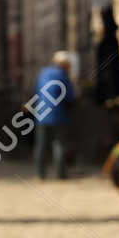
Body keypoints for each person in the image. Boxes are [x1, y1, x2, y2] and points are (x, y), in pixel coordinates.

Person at [33, 51, 75, 179]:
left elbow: (36, 92)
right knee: (59, 145)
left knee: (41, 145)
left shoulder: (43, 73)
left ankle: (40, 174)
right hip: (58, 115)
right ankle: (60, 174)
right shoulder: (63, 76)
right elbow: (70, 97)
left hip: (41, 114)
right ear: (65, 65)